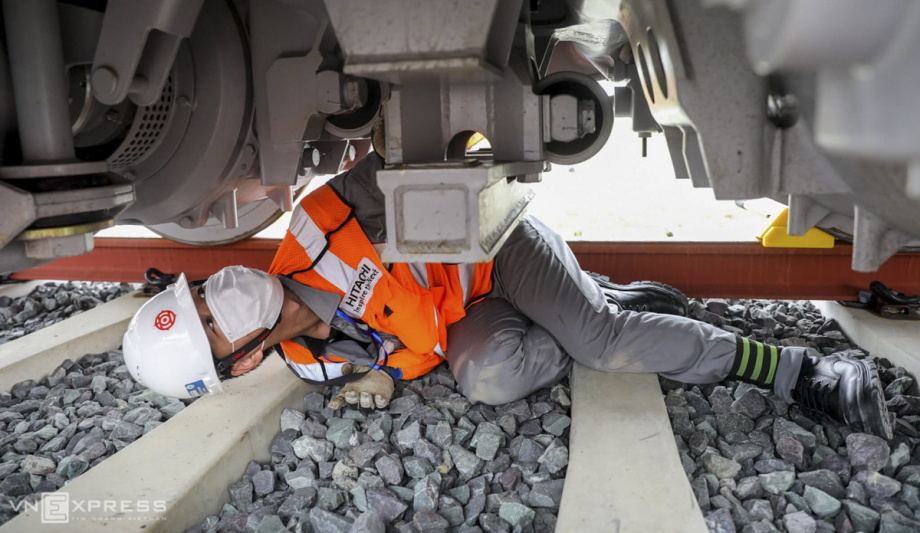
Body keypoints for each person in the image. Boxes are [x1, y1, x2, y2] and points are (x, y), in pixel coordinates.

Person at [123, 152, 893, 440]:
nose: (221, 295)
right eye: (212, 325)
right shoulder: (313, 363)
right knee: (490, 380)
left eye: (201, 294)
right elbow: (420, 344)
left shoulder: (324, 219)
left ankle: (795, 368)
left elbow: (440, 155)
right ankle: (601, 301)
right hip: (476, 312)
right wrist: (389, 374)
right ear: (242, 361)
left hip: (498, 247)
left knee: (598, 342)